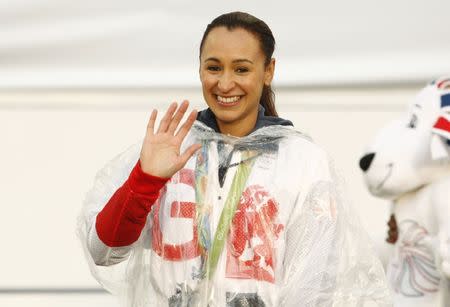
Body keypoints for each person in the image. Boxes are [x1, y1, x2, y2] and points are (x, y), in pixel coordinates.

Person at [78, 11, 391, 307]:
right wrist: (145, 181)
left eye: (241, 68)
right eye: (213, 67)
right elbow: (104, 251)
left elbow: (315, 289)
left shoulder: (304, 162)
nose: (225, 84)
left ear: (268, 71)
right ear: (199, 68)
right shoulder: (168, 150)